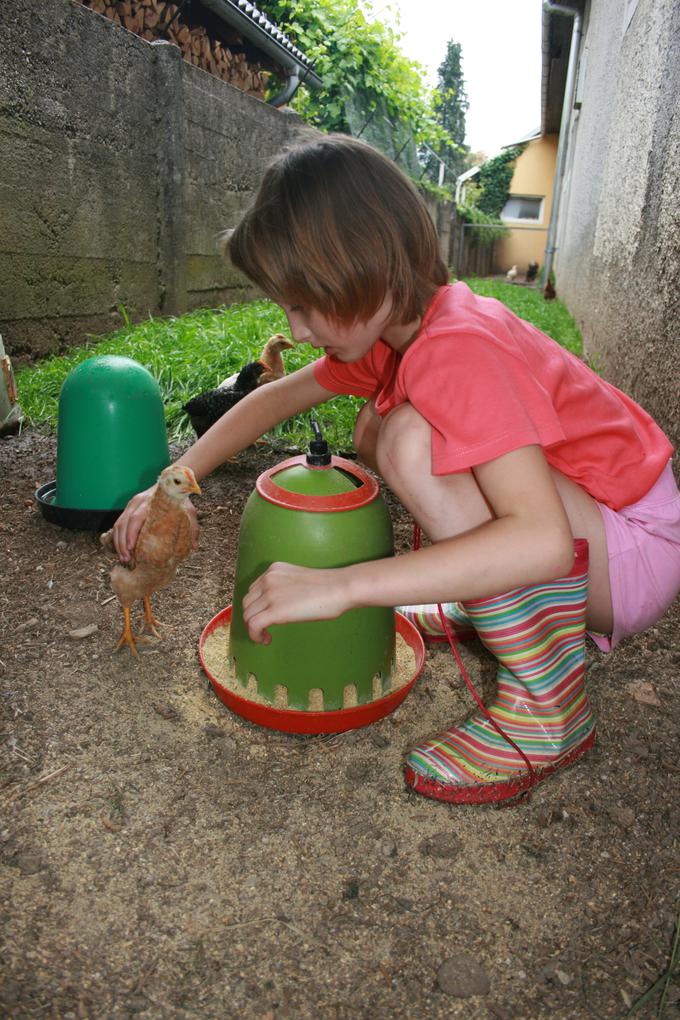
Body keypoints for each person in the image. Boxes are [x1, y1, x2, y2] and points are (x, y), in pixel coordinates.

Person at [113, 134, 680, 806]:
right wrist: (169, 484)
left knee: (410, 439)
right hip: (603, 532)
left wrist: (347, 587)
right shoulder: (396, 331)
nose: (292, 331)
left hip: (635, 547)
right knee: (381, 429)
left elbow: (543, 541)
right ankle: (493, 603)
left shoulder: (458, 349)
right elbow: (275, 397)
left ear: (363, 269)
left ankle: (549, 709)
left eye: (301, 303)